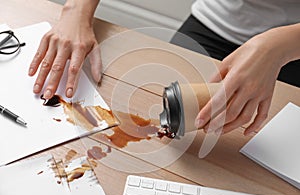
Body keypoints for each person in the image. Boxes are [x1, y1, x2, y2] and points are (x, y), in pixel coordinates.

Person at [28, 0, 300, 136]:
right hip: (214, 22)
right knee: (174, 134)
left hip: (291, 46)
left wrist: (276, 48)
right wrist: (76, 10)